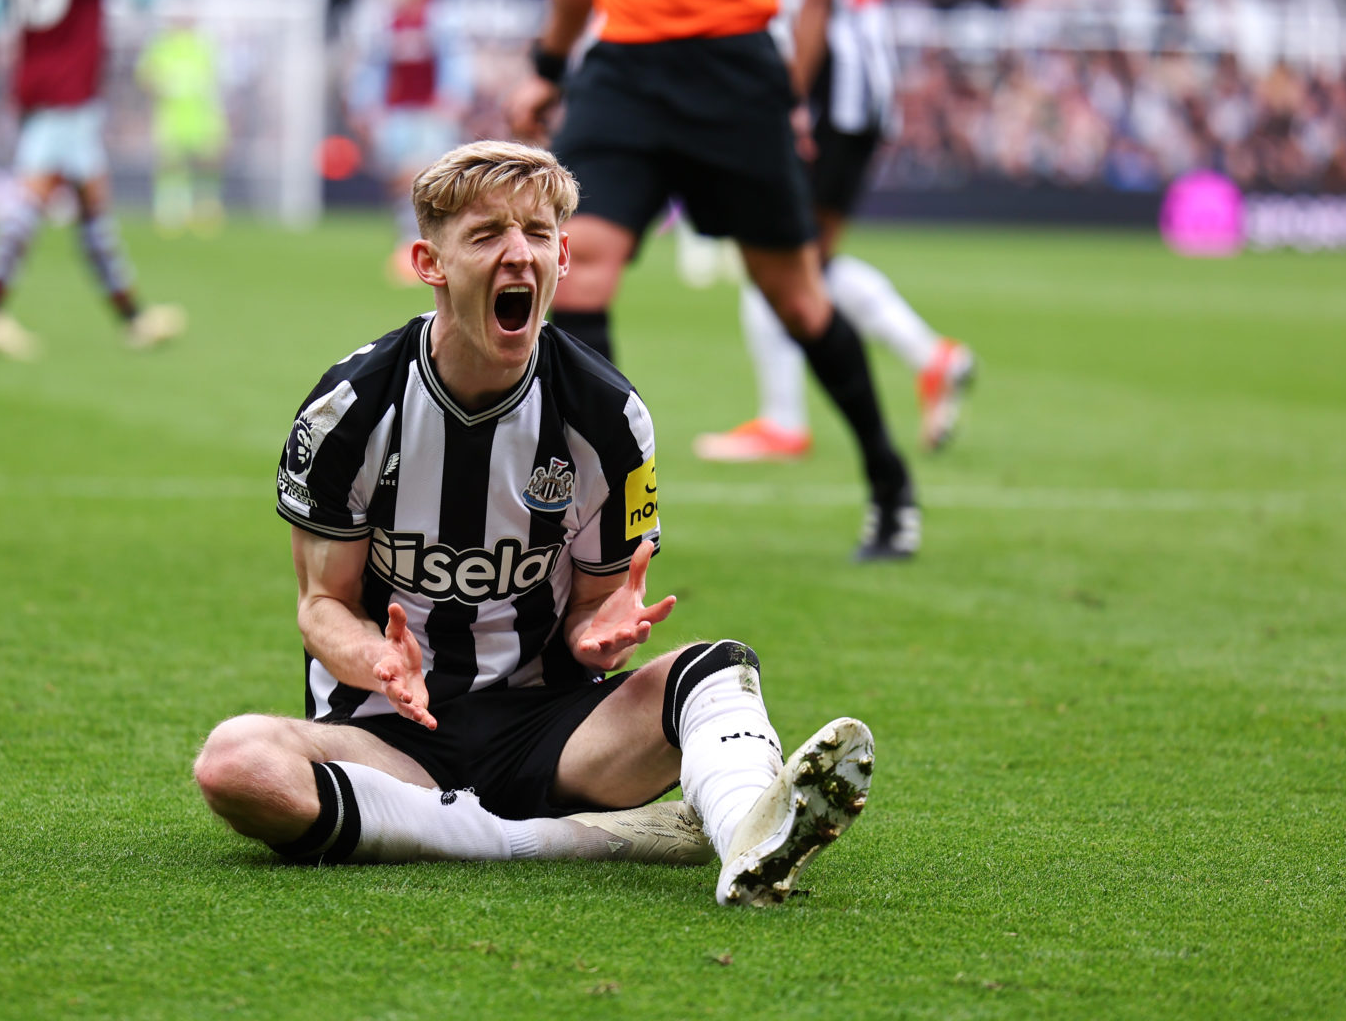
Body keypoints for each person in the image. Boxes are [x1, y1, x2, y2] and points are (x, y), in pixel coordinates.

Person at [192, 141, 876, 908]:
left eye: (538, 235)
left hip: (553, 733)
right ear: (429, 261)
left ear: (563, 259)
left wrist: (597, 629)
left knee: (717, 670)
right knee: (235, 763)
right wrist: (372, 657)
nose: (519, 254)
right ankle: (567, 840)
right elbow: (322, 605)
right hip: (388, 737)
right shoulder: (349, 411)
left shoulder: (609, 418)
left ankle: (752, 834)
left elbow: (594, 605)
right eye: (487, 235)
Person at [506, 0, 919, 562]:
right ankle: (604, 514)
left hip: (736, 72)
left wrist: (788, 96)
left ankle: (888, 479)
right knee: (576, 281)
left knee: (799, 302)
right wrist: (548, 67)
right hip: (625, 69)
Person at [694, 0, 975, 463]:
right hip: (861, 94)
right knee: (807, 262)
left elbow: (815, 6)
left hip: (835, 94)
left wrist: (789, 102)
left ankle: (783, 424)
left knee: (774, 252)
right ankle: (930, 357)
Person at [0, 0, 185, 360]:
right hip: (68, 95)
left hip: (38, 90)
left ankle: (133, 318)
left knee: (93, 211)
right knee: (31, 203)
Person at [343, 0, 475, 284]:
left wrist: (452, 101)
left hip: (432, 113)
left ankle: (426, 245)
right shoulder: (381, 22)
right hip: (394, 113)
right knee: (402, 181)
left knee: (426, 177)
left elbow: (455, 63)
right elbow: (370, 68)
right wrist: (364, 106)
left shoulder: (442, 18)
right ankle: (412, 243)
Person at [136, 14, 227, 236]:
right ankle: (171, 211)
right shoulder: (161, 46)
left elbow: (217, 83)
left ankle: (206, 210)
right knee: (171, 164)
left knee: (207, 162)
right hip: (170, 117)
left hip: (203, 117)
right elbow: (145, 78)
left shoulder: (204, 46)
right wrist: (160, 86)